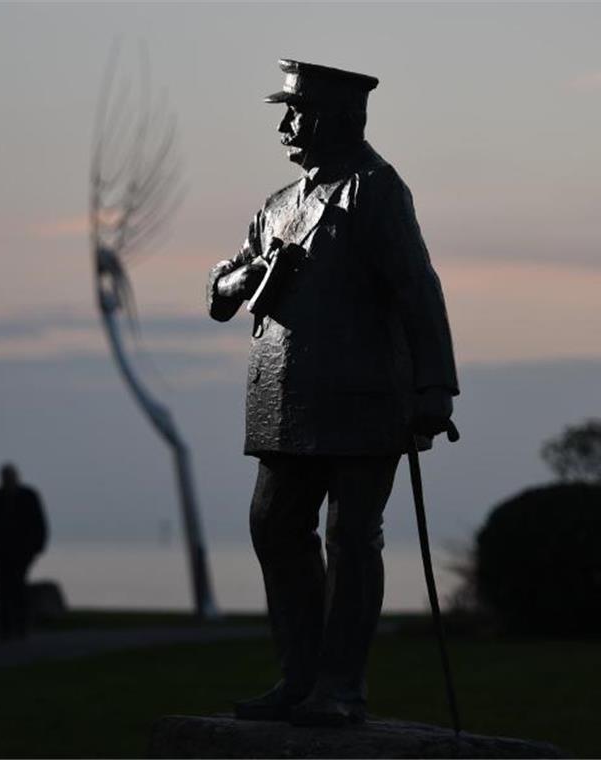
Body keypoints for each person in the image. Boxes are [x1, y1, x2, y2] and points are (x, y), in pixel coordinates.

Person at [206, 60, 459, 726]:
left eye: (300, 114)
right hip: (285, 397)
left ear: (343, 121)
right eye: (285, 113)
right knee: (274, 525)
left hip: (363, 394)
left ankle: (339, 687)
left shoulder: (374, 189)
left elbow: (416, 286)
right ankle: (300, 677)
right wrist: (247, 277)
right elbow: (220, 291)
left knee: (351, 538)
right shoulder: (279, 203)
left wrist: (434, 387)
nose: (287, 126)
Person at [0, 463, 48, 640]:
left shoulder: (29, 496)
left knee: (17, 586)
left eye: (10, 476)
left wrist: (37, 546)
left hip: (22, 550)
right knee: (2, 588)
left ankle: (21, 626)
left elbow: (39, 522)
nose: (7, 480)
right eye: (5, 477)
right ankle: (6, 627)